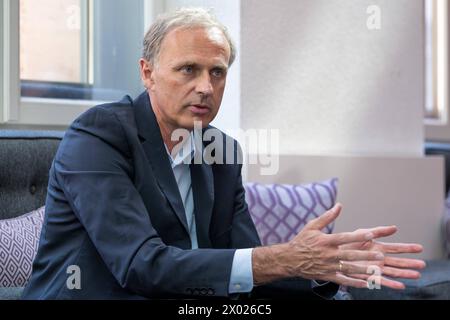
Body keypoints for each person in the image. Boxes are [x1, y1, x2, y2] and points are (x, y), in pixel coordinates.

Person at [22, 8, 425, 300]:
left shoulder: (221, 151)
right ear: (147, 73)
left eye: (217, 72)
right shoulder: (98, 135)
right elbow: (140, 264)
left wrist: (320, 269)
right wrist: (284, 258)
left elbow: (243, 261)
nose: (205, 87)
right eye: (188, 70)